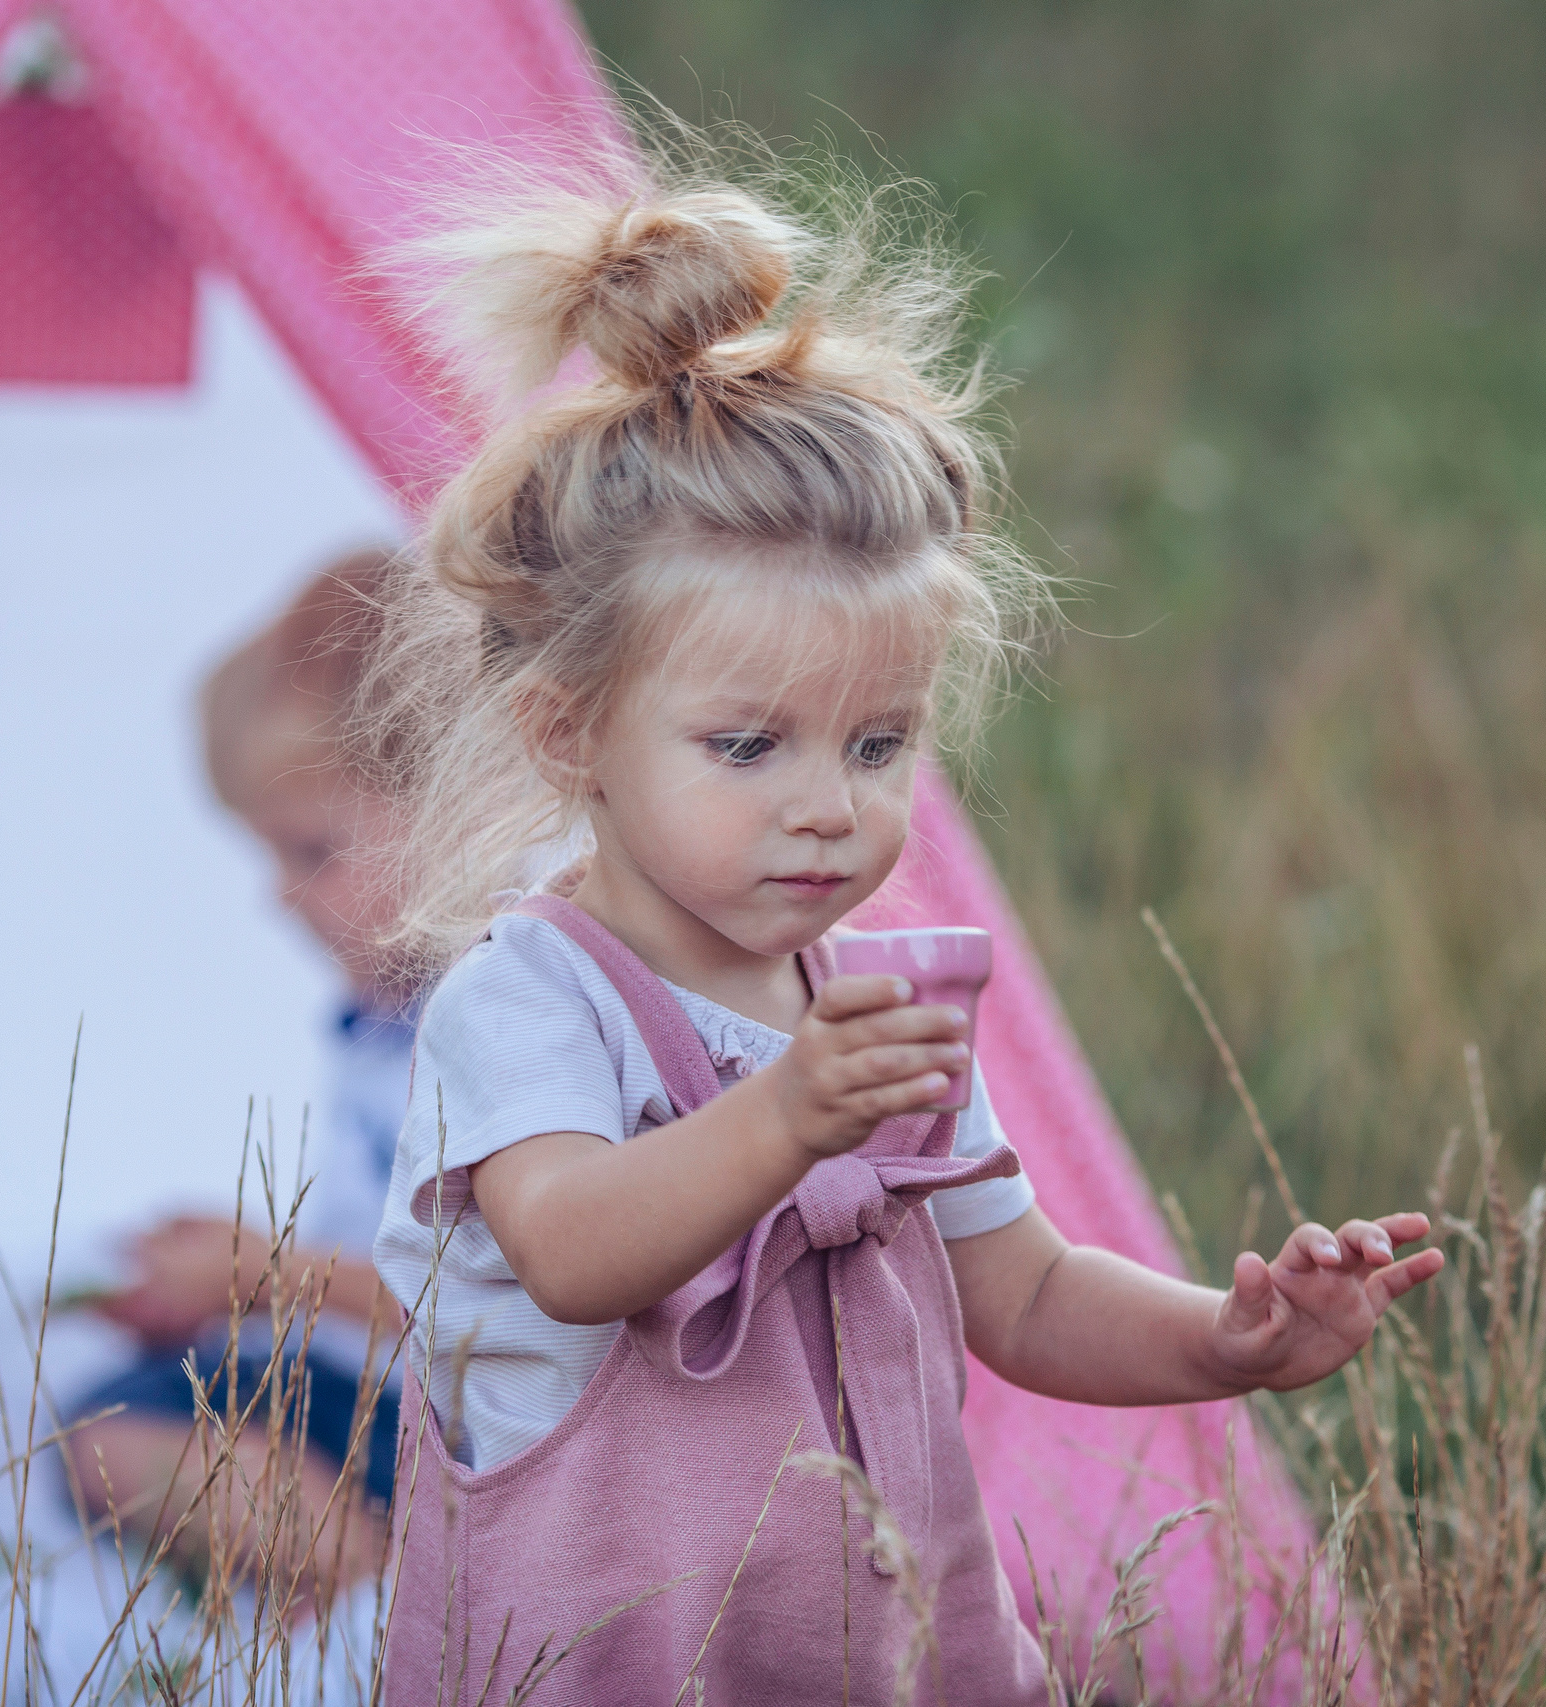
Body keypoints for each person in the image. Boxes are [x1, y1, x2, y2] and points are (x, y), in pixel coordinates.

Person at [365, 160, 1447, 1705]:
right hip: (616, 1653)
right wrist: (791, 1113)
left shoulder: (871, 993)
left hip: (878, 1644)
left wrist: (1230, 1338)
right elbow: (573, 1251)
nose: (830, 807)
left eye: (879, 745)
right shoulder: (530, 996)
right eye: (748, 746)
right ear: (567, 732)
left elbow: (1023, 1289)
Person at [59, 549, 411, 1611]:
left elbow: (499, 1301)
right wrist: (234, 1276)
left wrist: (267, 1276)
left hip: (483, 1426)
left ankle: (404, 1603)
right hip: (378, 1387)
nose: (281, 899)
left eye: (314, 852)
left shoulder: (514, 1029)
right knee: (112, 1425)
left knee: (119, 1448)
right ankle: (334, 1589)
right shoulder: (380, 1021)